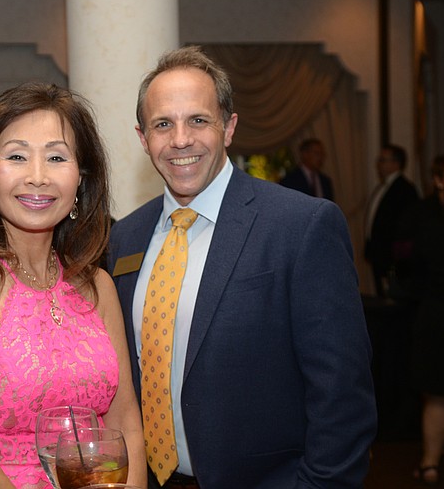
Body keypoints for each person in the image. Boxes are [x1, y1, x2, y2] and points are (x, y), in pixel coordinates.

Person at [107, 46, 376, 488]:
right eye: (162, 124)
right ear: (143, 139)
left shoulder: (301, 226)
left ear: (228, 127)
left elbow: (343, 394)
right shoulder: (125, 238)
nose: (180, 140)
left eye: (198, 120)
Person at [0, 82, 145, 489]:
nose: (37, 177)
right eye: (16, 156)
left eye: (56, 157)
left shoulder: (97, 285)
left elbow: (126, 428)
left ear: (81, 179)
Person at [408, 153, 444, 486]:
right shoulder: (424, 214)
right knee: (437, 393)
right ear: (439, 179)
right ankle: (430, 461)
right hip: (438, 313)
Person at [364, 144, 419, 297]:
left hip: (391, 257)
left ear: (396, 163)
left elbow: (406, 228)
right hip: (378, 253)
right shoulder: (382, 186)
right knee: (381, 296)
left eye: (383, 160)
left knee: (392, 299)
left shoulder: (406, 189)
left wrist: (394, 257)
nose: (378, 163)